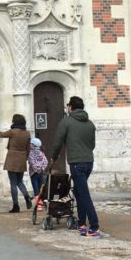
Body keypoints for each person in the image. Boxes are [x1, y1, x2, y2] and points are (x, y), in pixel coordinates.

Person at [50, 96, 100, 237]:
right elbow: (92, 145)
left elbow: (57, 142)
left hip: (76, 162)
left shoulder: (66, 122)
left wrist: (53, 157)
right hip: (88, 161)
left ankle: (94, 226)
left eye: (68, 106)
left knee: (83, 194)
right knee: (79, 191)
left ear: (70, 107)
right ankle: (81, 222)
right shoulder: (90, 123)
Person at [0, 113, 32, 213]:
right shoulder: (27, 133)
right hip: (21, 159)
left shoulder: (12, 132)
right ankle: (27, 198)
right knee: (20, 182)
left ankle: (16, 206)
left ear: (15, 122)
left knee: (13, 183)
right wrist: (25, 158)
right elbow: (28, 148)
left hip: (12, 159)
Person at [27, 136, 49, 204]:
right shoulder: (41, 152)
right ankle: (42, 202)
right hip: (41, 173)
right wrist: (42, 168)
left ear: (34, 145)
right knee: (41, 188)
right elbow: (46, 162)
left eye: (30, 144)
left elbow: (31, 162)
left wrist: (36, 170)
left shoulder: (31, 153)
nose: (29, 145)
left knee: (36, 189)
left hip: (34, 174)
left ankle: (38, 204)